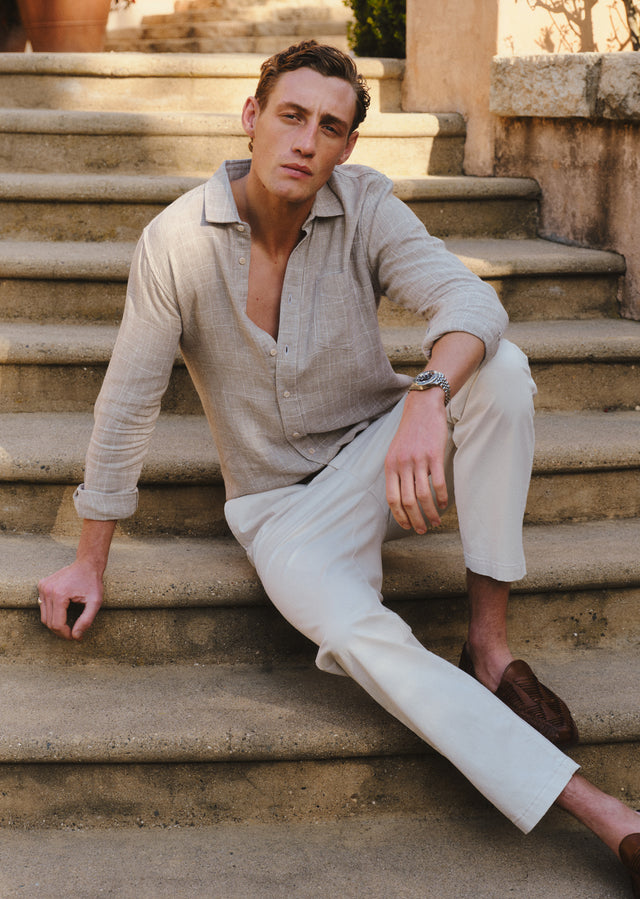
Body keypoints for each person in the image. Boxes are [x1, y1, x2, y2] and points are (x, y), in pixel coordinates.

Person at [37, 40, 639, 894]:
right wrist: (88, 556)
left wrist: (427, 395)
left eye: (330, 126)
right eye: (290, 116)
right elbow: (128, 402)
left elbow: (471, 301)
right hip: (281, 513)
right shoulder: (174, 241)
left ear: (348, 146)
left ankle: (491, 646)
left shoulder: (364, 204)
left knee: (497, 368)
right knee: (361, 635)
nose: (306, 141)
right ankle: (608, 813)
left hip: (379, 450)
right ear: (251, 118)